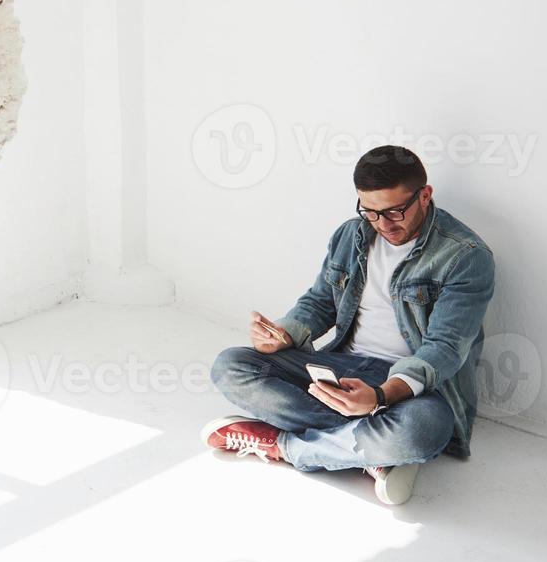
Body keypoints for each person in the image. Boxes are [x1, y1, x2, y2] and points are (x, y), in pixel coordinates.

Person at [204, 145, 495, 505]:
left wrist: (380, 396)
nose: (383, 225)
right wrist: (284, 334)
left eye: (394, 212)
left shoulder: (466, 256)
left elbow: (444, 349)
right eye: (370, 212)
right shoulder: (351, 235)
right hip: (343, 367)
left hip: (413, 390)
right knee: (231, 366)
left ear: (425, 195)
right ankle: (370, 451)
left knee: (421, 431)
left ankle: (285, 446)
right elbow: (320, 302)